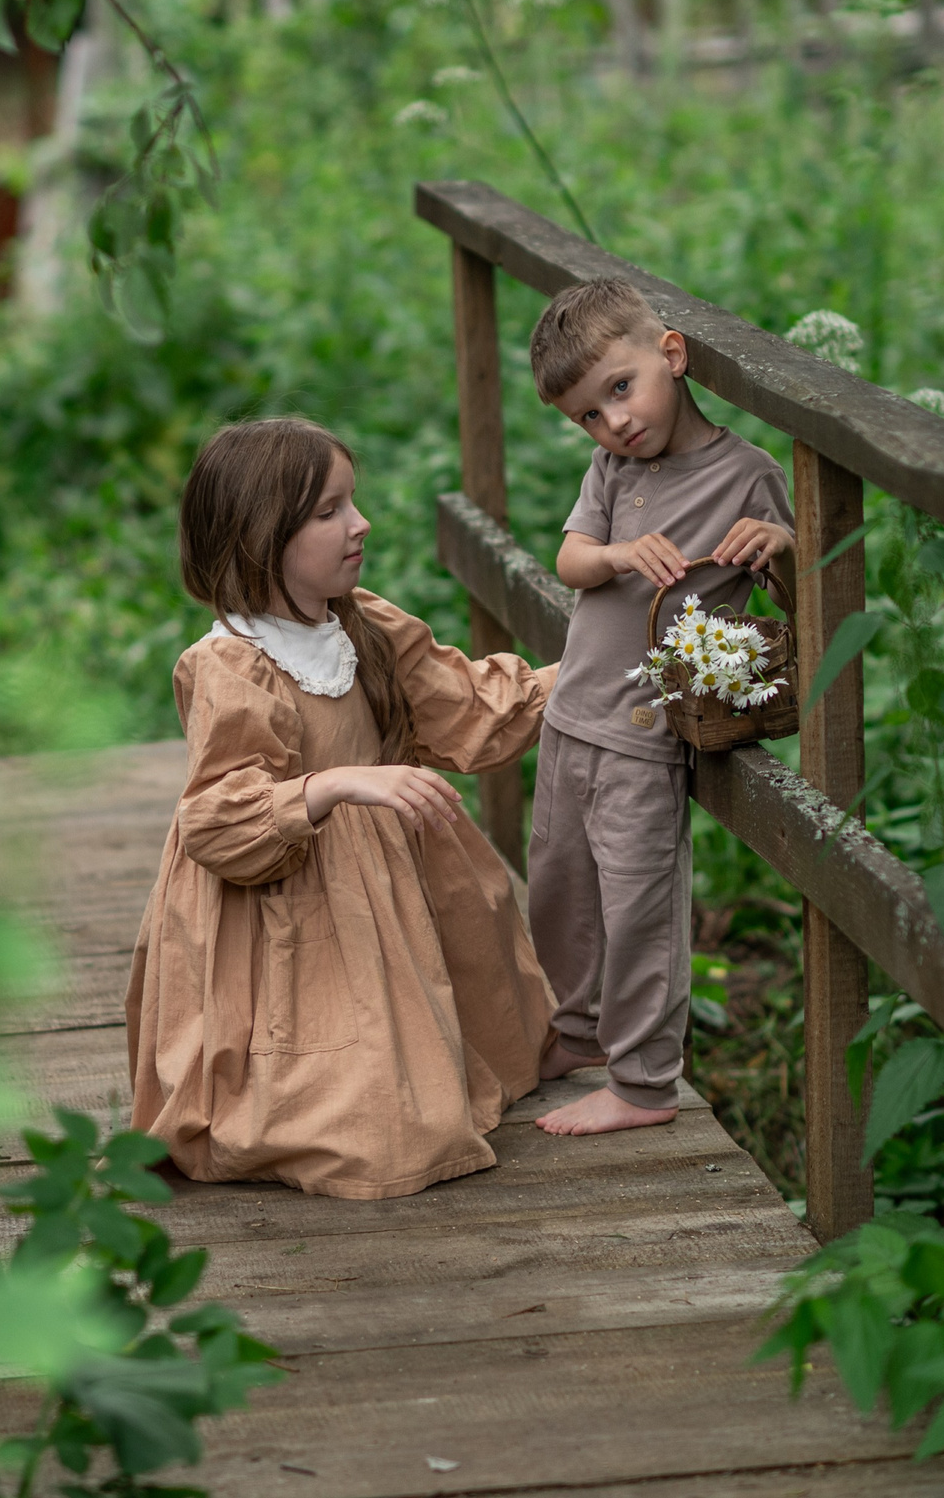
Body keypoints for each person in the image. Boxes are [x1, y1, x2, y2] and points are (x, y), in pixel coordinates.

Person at [125, 417, 561, 1199]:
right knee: (377, 1124)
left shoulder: (364, 623)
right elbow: (217, 820)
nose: (360, 523)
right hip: (286, 903)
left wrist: (596, 668)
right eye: (329, 511)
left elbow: (468, 706)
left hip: (381, 878)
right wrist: (335, 785)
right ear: (262, 537)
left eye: (350, 502)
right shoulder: (233, 663)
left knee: (467, 1024)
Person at [524, 279, 795, 1138]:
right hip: (571, 713)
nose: (614, 421)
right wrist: (614, 554)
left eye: (621, 388)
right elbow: (570, 560)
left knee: (639, 906)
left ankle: (642, 1081)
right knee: (558, 889)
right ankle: (574, 1031)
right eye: (588, 415)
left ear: (671, 354)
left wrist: (781, 544)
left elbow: (800, 595)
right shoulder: (613, 470)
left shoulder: (748, 475)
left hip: (645, 734)